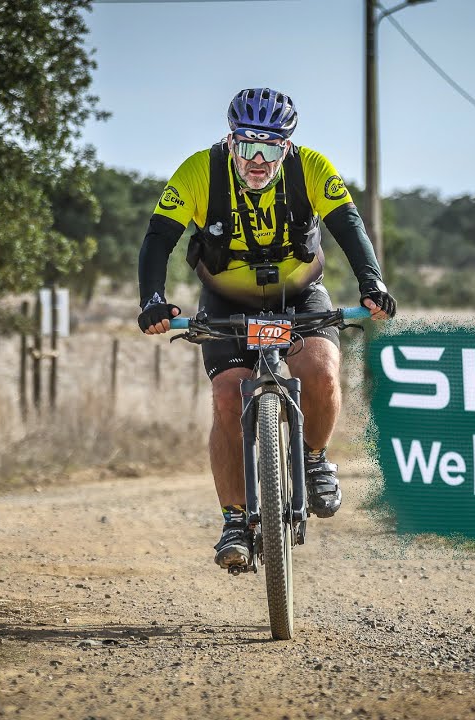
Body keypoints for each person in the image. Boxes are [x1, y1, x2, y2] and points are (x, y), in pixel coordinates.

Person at [136, 87, 396, 570]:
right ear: (230, 141)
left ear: (288, 147)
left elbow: (349, 226)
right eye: (247, 145)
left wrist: (372, 283)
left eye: (271, 148)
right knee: (227, 396)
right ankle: (234, 520)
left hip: (298, 297)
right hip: (225, 301)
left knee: (320, 373)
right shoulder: (198, 171)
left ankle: (315, 459)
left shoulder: (313, 168)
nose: (258, 160)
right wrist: (151, 298)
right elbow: (158, 238)